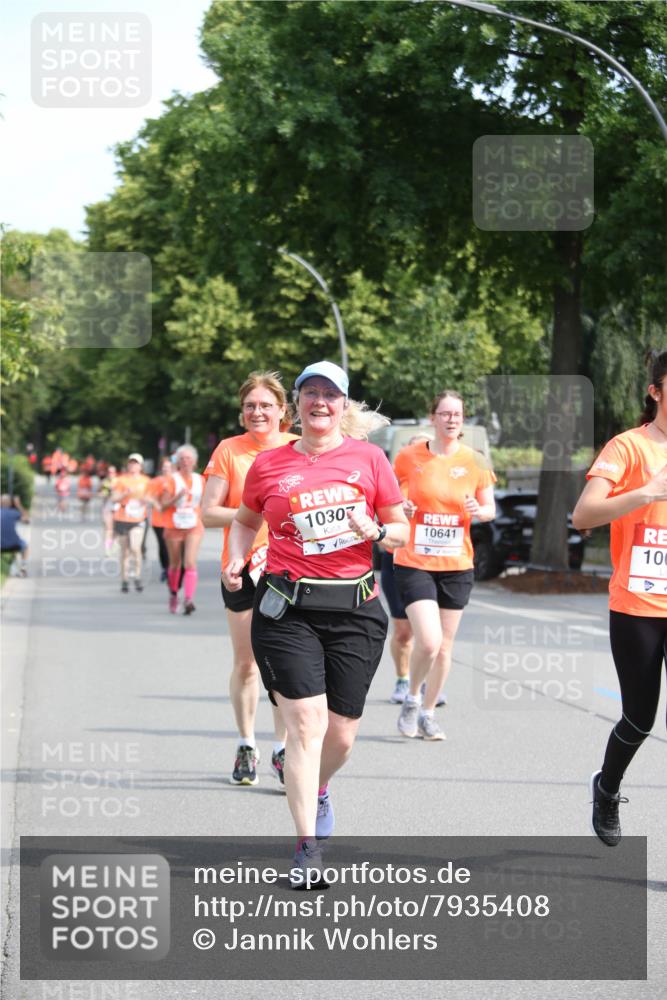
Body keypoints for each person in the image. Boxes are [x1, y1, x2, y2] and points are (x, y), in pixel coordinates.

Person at [222, 361, 409, 883]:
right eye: (311, 393)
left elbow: (399, 533)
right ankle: (307, 846)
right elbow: (245, 522)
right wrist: (237, 557)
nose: (320, 402)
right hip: (288, 609)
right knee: (306, 726)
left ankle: (319, 788)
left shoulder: (370, 459)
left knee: (342, 737)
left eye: (331, 394)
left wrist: (374, 528)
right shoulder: (270, 465)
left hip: (355, 610)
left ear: (344, 405)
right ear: (296, 405)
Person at [573, 349, 667, 847]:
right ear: (655, 391)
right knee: (640, 717)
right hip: (638, 607)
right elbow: (583, 515)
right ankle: (607, 787)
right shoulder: (628, 447)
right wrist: (647, 493)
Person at [202, 371, 296, 787]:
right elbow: (208, 512)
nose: (257, 412)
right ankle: (246, 744)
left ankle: (281, 749)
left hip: (288, 570)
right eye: (250, 406)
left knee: (283, 666)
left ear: (282, 411)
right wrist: (252, 514)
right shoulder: (229, 451)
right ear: (242, 413)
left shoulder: (298, 449)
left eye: (265, 406)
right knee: (246, 664)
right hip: (240, 567)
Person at [394, 391, 496, 741]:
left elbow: (489, 510)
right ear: (433, 417)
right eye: (445, 413)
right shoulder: (409, 457)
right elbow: (392, 500)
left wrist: (476, 511)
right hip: (415, 560)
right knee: (428, 641)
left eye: (458, 414)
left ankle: (427, 712)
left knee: (445, 646)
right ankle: (411, 697)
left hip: (457, 562)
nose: (452, 419)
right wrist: (402, 510)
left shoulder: (475, 461)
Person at [161, 445, 204, 615]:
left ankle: (188, 599)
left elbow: (206, 502)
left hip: (194, 525)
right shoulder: (172, 480)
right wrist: (177, 496)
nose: (186, 461)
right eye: (182, 459)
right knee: (175, 564)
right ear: (178, 462)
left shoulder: (200, 479)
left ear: (194, 462)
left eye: (189, 458)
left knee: (190, 562)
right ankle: (173, 594)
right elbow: (163, 506)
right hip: (174, 526)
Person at [111, 453, 150, 593]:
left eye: (136, 463)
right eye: (131, 463)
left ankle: (137, 576)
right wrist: (124, 494)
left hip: (138, 519)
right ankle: (125, 579)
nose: (133, 465)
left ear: (140, 466)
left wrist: (145, 500)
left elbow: (151, 497)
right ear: (128, 465)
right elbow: (114, 498)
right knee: (125, 551)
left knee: (135, 547)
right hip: (122, 518)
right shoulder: (121, 480)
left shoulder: (146, 481)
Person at [147, 457, 173, 583]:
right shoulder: (156, 481)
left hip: (173, 520)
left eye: (168, 467)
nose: (166, 469)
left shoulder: (176, 480)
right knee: (163, 545)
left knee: (173, 545)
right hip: (158, 520)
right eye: (164, 467)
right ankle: (165, 568)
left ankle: (173, 568)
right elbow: (148, 496)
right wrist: (156, 504)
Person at [1, 494, 29, 576]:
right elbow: (26, 520)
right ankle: (23, 568)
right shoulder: (14, 513)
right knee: (25, 546)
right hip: (14, 544)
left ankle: (12, 565)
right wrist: (18, 505)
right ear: (11, 503)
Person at [99, 465, 118, 553]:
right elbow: (99, 493)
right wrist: (104, 493)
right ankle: (107, 548)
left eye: (112, 472)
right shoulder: (104, 482)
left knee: (115, 528)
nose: (111, 474)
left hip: (117, 508)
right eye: (109, 472)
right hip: (107, 506)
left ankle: (114, 543)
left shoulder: (119, 481)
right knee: (108, 528)